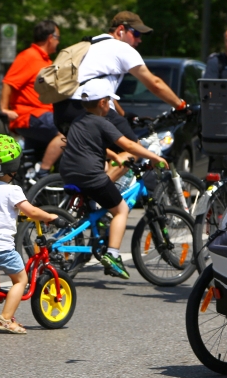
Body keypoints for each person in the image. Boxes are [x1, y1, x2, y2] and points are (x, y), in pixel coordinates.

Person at [58, 78, 169, 280]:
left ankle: (96, 227)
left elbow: (89, 144)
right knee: (121, 210)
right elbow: (129, 145)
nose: (110, 105)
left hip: (68, 172)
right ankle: (113, 255)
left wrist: (113, 156)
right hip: (90, 175)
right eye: (109, 101)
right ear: (102, 103)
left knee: (100, 202)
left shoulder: (79, 121)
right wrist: (155, 157)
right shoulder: (103, 122)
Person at [0, 134, 61, 334]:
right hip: (1, 249)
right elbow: (31, 212)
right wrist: (48, 216)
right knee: (21, 280)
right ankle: (5, 319)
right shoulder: (13, 190)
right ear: (13, 166)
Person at [54, 11, 187, 141]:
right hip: (88, 108)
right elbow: (155, 84)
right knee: (133, 151)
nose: (139, 40)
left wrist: (124, 115)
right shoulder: (121, 48)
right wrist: (180, 106)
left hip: (62, 109)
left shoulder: (91, 44)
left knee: (98, 155)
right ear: (120, 30)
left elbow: (103, 91)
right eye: (136, 33)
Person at [0, 20, 65, 178]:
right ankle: (43, 173)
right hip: (31, 116)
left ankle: (36, 186)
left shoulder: (45, 60)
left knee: (38, 154)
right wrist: (4, 109)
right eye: (58, 38)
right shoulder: (29, 56)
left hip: (41, 116)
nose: (58, 42)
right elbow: (9, 82)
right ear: (50, 37)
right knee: (67, 134)